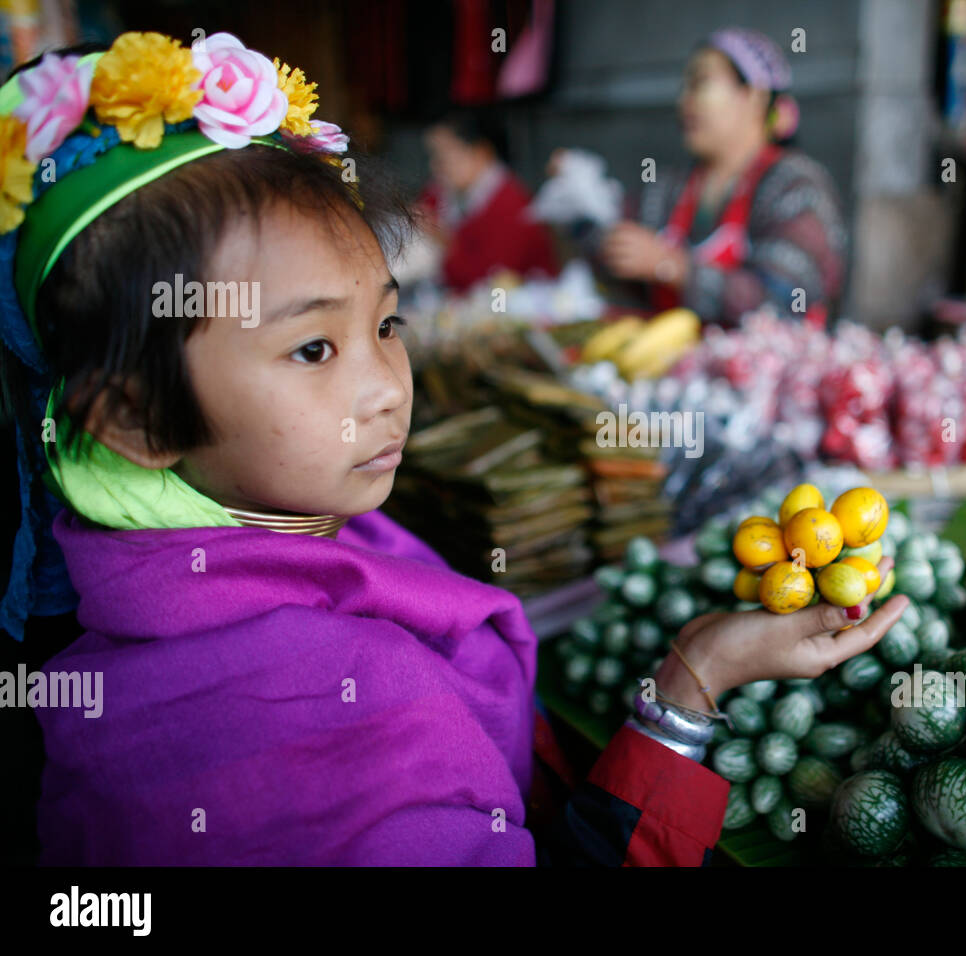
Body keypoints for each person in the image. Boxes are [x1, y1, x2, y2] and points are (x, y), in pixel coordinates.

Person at [0, 31, 906, 866]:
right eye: (313, 347)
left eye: (387, 323)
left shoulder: (258, 540)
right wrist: (688, 698)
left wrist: (692, 669)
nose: (391, 385)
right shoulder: (331, 722)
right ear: (136, 422)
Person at [561, 27, 847, 329]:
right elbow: (621, 261)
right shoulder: (670, 188)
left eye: (700, 83)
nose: (684, 101)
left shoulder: (795, 186)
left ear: (753, 96)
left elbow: (787, 300)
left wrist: (674, 266)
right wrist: (581, 205)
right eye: (684, 86)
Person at [418, 109, 558, 292]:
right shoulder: (440, 193)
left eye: (443, 156)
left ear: (481, 153)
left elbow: (492, 284)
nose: (434, 166)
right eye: (432, 156)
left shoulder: (513, 206)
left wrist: (446, 243)